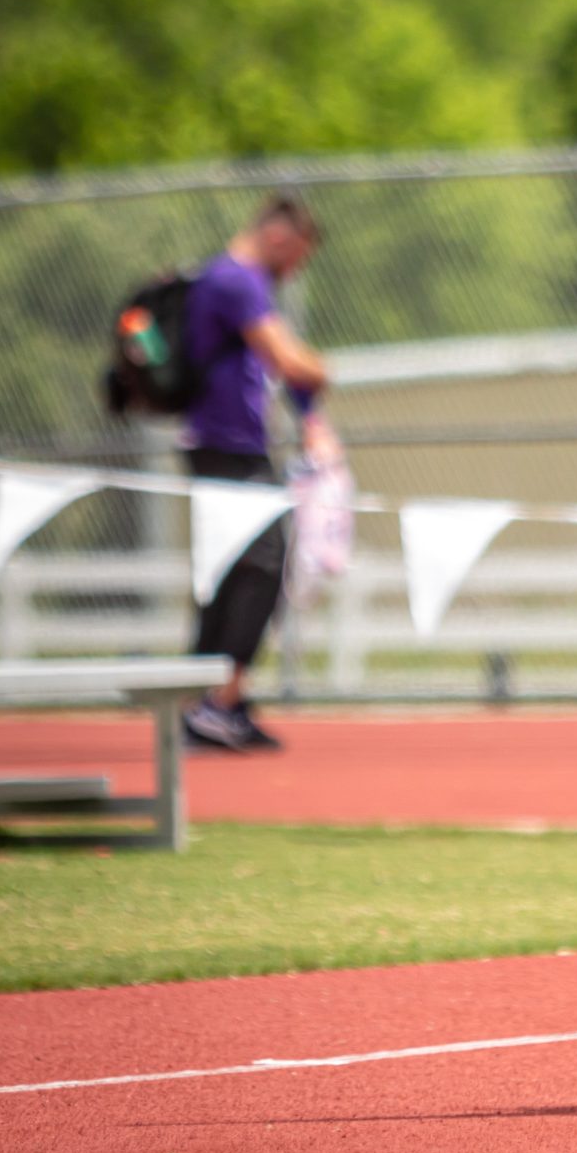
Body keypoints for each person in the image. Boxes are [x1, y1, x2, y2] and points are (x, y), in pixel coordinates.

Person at [180, 193, 339, 751]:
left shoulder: (243, 283)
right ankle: (214, 701)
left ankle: (214, 699)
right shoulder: (236, 280)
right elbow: (292, 362)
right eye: (296, 255)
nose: (296, 269)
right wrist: (325, 369)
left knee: (233, 570)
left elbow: (284, 375)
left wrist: (311, 415)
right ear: (278, 237)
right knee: (260, 564)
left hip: (236, 448)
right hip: (226, 450)